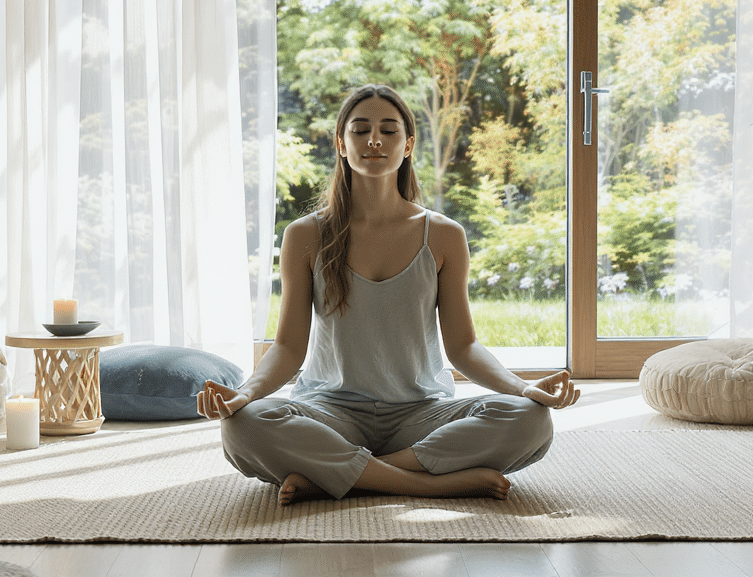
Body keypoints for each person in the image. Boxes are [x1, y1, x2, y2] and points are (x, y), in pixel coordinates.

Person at [197, 84, 580, 506]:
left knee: (530, 421)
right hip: (330, 411)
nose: (374, 140)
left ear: (408, 145)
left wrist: (523, 389)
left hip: (421, 412)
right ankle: (425, 482)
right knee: (244, 426)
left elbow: (464, 347)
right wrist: (246, 394)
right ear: (341, 145)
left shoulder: (444, 235)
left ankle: (337, 475)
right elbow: (288, 346)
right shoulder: (305, 235)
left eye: (388, 131)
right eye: (360, 131)